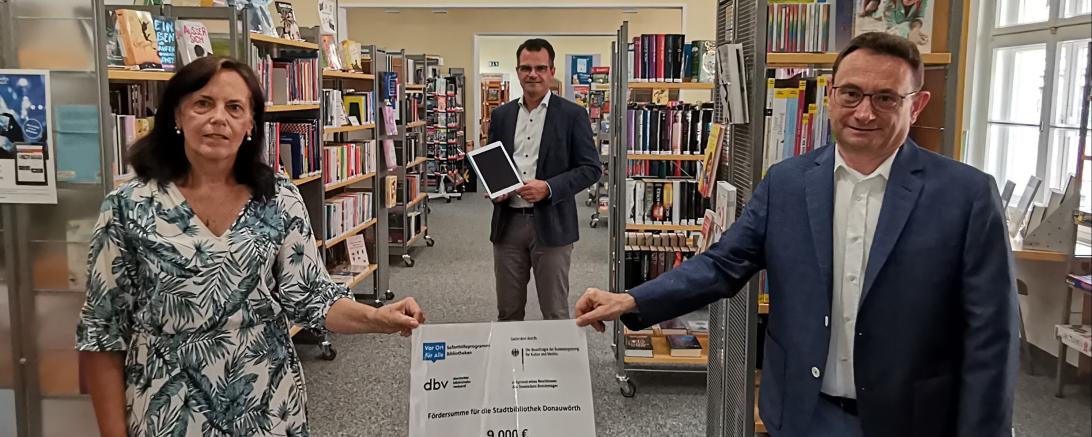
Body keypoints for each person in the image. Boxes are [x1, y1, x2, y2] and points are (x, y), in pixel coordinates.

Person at [575, 32, 1017, 437]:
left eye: (885, 97)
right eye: (851, 93)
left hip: (913, 420)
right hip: (804, 413)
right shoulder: (787, 182)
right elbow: (723, 263)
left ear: (915, 105)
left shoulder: (967, 196)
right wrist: (633, 300)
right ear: (830, 96)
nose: (864, 112)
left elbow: (991, 337)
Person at [76, 56, 426, 437]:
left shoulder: (279, 199)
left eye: (234, 107)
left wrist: (379, 318)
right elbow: (102, 333)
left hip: (267, 408)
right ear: (177, 116)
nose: (218, 118)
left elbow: (310, 297)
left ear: (250, 125)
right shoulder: (128, 207)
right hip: (168, 412)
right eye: (203, 103)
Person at [487, 38, 601, 321]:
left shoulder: (573, 115)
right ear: (517, 71)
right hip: (508, 223)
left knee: (555, 311)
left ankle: (557, 366)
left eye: (540, 68)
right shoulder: (501, 115)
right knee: (508, 311)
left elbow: (591, 168)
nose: (532, 74)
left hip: (553, 225)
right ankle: (510, 366)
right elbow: (493, 162)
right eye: (526, 68)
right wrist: (494, 188)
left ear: (551, 71)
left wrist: (549, 188)